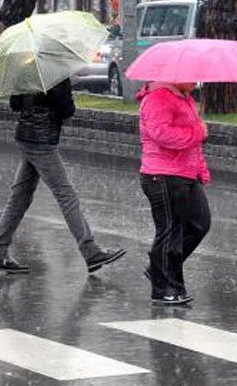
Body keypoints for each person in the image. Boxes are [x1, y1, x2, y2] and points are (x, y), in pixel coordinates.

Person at [0, 79, 125, 275]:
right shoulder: (57, 76)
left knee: (20, 198)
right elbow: (66, 109)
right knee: (66, 195)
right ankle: (90, 251)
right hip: (42, 142)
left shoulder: (26, 72)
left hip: (26, 137)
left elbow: (15, 104)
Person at [137, 81, 211, 305]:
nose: (196, 80)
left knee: (199, 224)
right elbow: (161, 134)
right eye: (191, 76)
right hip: (162, 174)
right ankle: (164, 288)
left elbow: (193, 146)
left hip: (186, 174)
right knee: (170, 231)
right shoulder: (158, 98)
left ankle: (159, 268)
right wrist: (198, 131)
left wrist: (201, 170)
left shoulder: (185, 98)